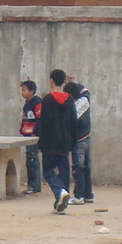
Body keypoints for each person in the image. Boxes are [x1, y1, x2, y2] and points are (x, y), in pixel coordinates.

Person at [37, 70, 77, 215]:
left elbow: (44, 122)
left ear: (52, 81)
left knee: (48, 171)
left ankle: (60, 192)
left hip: (50, 142)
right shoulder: (70, 99)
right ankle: (61, 204)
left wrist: (41, 142)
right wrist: (73, 142)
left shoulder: (47, 99)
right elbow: (74, 122)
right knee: (64, 171)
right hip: (65, 141)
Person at [66, 80, 94, 204]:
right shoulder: (85, 99)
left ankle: (79, 196)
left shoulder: (74, 107)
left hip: (79, 140)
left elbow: (68, 122)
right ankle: (88, 195)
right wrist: (74, 82)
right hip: (87, 137)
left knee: (78, 168)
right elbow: (86, 90)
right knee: (86, 168)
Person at [19, 80, 43, 195]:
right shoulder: (27, 104)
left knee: (32, 160)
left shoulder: (37, 103)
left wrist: (36, 133)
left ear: (31, 91)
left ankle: (33, 185)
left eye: (24, 90)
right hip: (27, 136)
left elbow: (41, 118)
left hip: (33, 136)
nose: (22, 92)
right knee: (31, 160)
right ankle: (35, 185)